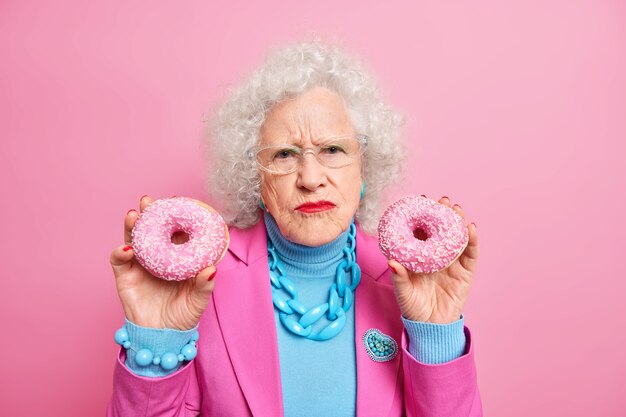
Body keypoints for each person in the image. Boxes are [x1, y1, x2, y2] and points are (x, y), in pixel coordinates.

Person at [107, 40, 482, 417]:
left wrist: (436, 334)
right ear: (255, 179)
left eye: (333, 150)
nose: (311, 178)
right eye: (284, 154)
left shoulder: (408, 282)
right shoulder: (199, 283)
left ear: (364, 168)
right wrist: (155, 343)